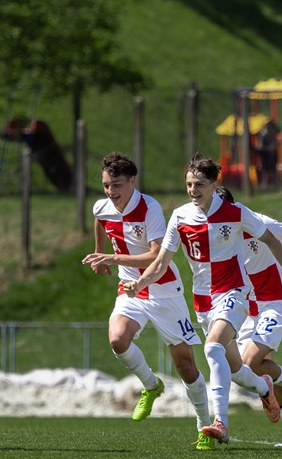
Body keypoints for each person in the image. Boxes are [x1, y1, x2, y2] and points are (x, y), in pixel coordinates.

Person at [127, 155, 282, 451]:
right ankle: (263, 386)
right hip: (203, 301)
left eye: (200, 184)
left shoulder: (235, 212)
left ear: (215, 183)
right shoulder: (179, 216)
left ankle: (220, 422)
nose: (193, 190)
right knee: (234, 368)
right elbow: (161, 261)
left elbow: (272, 240)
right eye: (189, 184)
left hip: (233, 292)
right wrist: (140, 283)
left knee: (212, 347)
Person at [81, 152, 210, 424]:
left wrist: (111, 258)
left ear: (132, 181)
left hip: (163, 287)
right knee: (117, 339)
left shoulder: (149, 208)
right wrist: (98, 253)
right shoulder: (101, 207)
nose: (110, 191)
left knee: (186, 366)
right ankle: (152, 386)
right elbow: (100, 221)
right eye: (106, 185)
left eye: (117, 185)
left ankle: (204, 424)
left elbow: (155, 255)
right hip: (130, 288)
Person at [216, 187, 282, 443]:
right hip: (247, 310)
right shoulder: (213, 234)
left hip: (275, 303)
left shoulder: (258, 223)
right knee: (246, 373)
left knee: (251, 363)